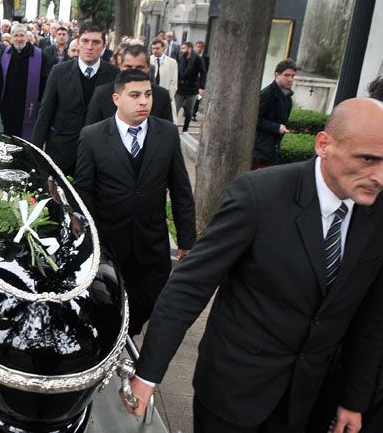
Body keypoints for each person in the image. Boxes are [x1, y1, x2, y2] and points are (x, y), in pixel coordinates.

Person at [125, 97, 383, 433]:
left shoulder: (376, 215)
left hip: (308, 401)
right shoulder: (260, 195)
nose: (379, 176)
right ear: (324, 144)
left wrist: (353, 400)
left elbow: (371, 319)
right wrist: (147, 376)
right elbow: (189, 287)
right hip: (233, 393)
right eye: (368, 159)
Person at [75, 69, 195, 335]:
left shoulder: (166, 133)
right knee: (108, 309)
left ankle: (130, 333)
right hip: (109, 243)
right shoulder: (92, 136)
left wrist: (187, 240)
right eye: (135, 95)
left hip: (151, 243)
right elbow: (84, 190)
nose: (144, 101)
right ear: (117, 98)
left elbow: (181, 189)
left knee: (146, 305)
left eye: (148, 95)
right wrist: (91, 238)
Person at [32, 21, 118, 175]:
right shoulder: (59, 71)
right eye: (85, 41)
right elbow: (45, 112)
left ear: (104, 45)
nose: (90, 46)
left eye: (96, 42)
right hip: (62, 151)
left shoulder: (113, 75)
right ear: (78, 43)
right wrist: (35, 152)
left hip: (99, 154)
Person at [85, 44, 173, 125]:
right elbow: (91, 131)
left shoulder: (162, 95)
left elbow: (167, 133)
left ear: (148, 68)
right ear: (120, 66)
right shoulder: (102, 93)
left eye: (139, 67)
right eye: (128, 67)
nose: (133, 72)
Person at [0, 23, 45, 140]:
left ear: (27, 37)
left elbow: (44, 81)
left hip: (28, 105)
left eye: (22, 35)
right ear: (11, 37)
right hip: (8, 106)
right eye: (16, 35)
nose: (19, 39)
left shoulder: (39, 55)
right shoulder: (5, 54)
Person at [252, 59, 296, 169]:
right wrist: (277, 127)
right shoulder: (267, 94)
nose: (290, 79)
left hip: (273, 150)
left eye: (292, 76)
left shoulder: (287, 97)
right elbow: (255, 119)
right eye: (286, 75)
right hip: (260, 151)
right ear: (277, 74)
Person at [176, 41, 206, 132]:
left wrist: (201, 87)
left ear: (189, 49)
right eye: (181, 48)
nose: (182, 50)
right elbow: (178, 72)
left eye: (184, 48)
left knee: (189, 111)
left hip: (192, 89)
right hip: (180, 88)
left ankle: (185, 129)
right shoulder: (182, 58)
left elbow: (203, 72)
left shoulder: (197, 58)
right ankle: (172, 127)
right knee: (175, 109)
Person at [192, 41, 210, 121]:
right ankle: (187, 110)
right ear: (195, 47)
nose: (199, 48)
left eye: (201, 47)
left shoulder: (206, 58)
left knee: (197, 98)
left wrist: (203, 85)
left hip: (199, 81)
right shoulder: (192, 56)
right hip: (191, 80)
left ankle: (193, 114)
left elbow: (205, 70)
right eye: (198, 46)